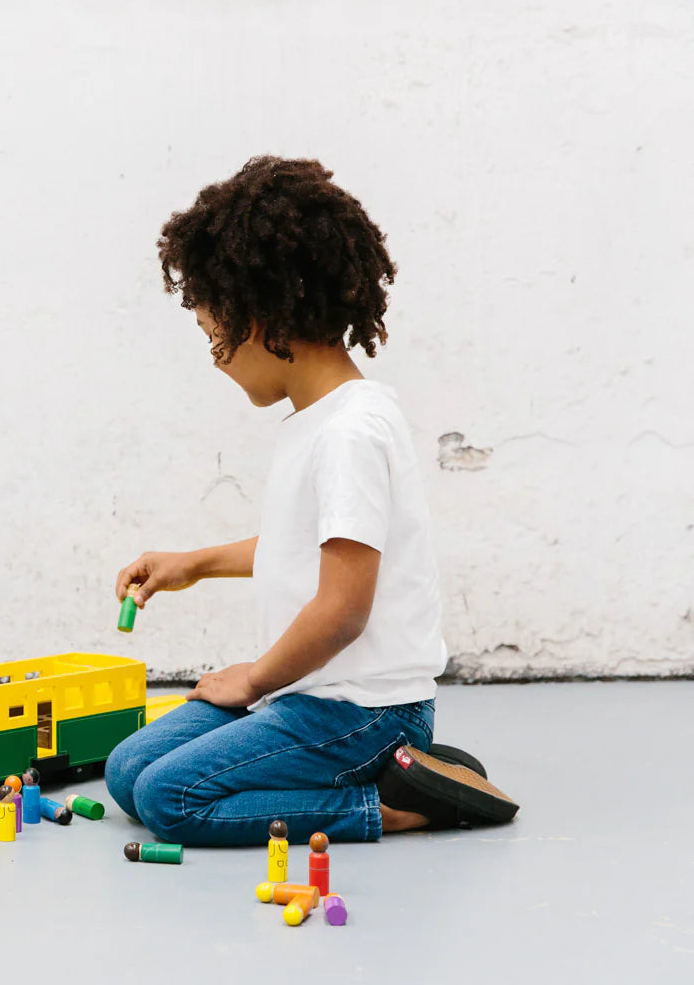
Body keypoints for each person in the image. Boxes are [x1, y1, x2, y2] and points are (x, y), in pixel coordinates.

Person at [104, 156, 519, 846]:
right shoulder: (319, 421)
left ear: (264, 318)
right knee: (127, 771)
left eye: (217, 338)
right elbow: (309, 553)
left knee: (168, 799)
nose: (215, 358)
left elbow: (342, 609)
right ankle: (344, 772)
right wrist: (195, 563)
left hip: (367, 712)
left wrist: (253, 679)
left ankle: (401, 802)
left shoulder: (353, 431)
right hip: (309, 695)